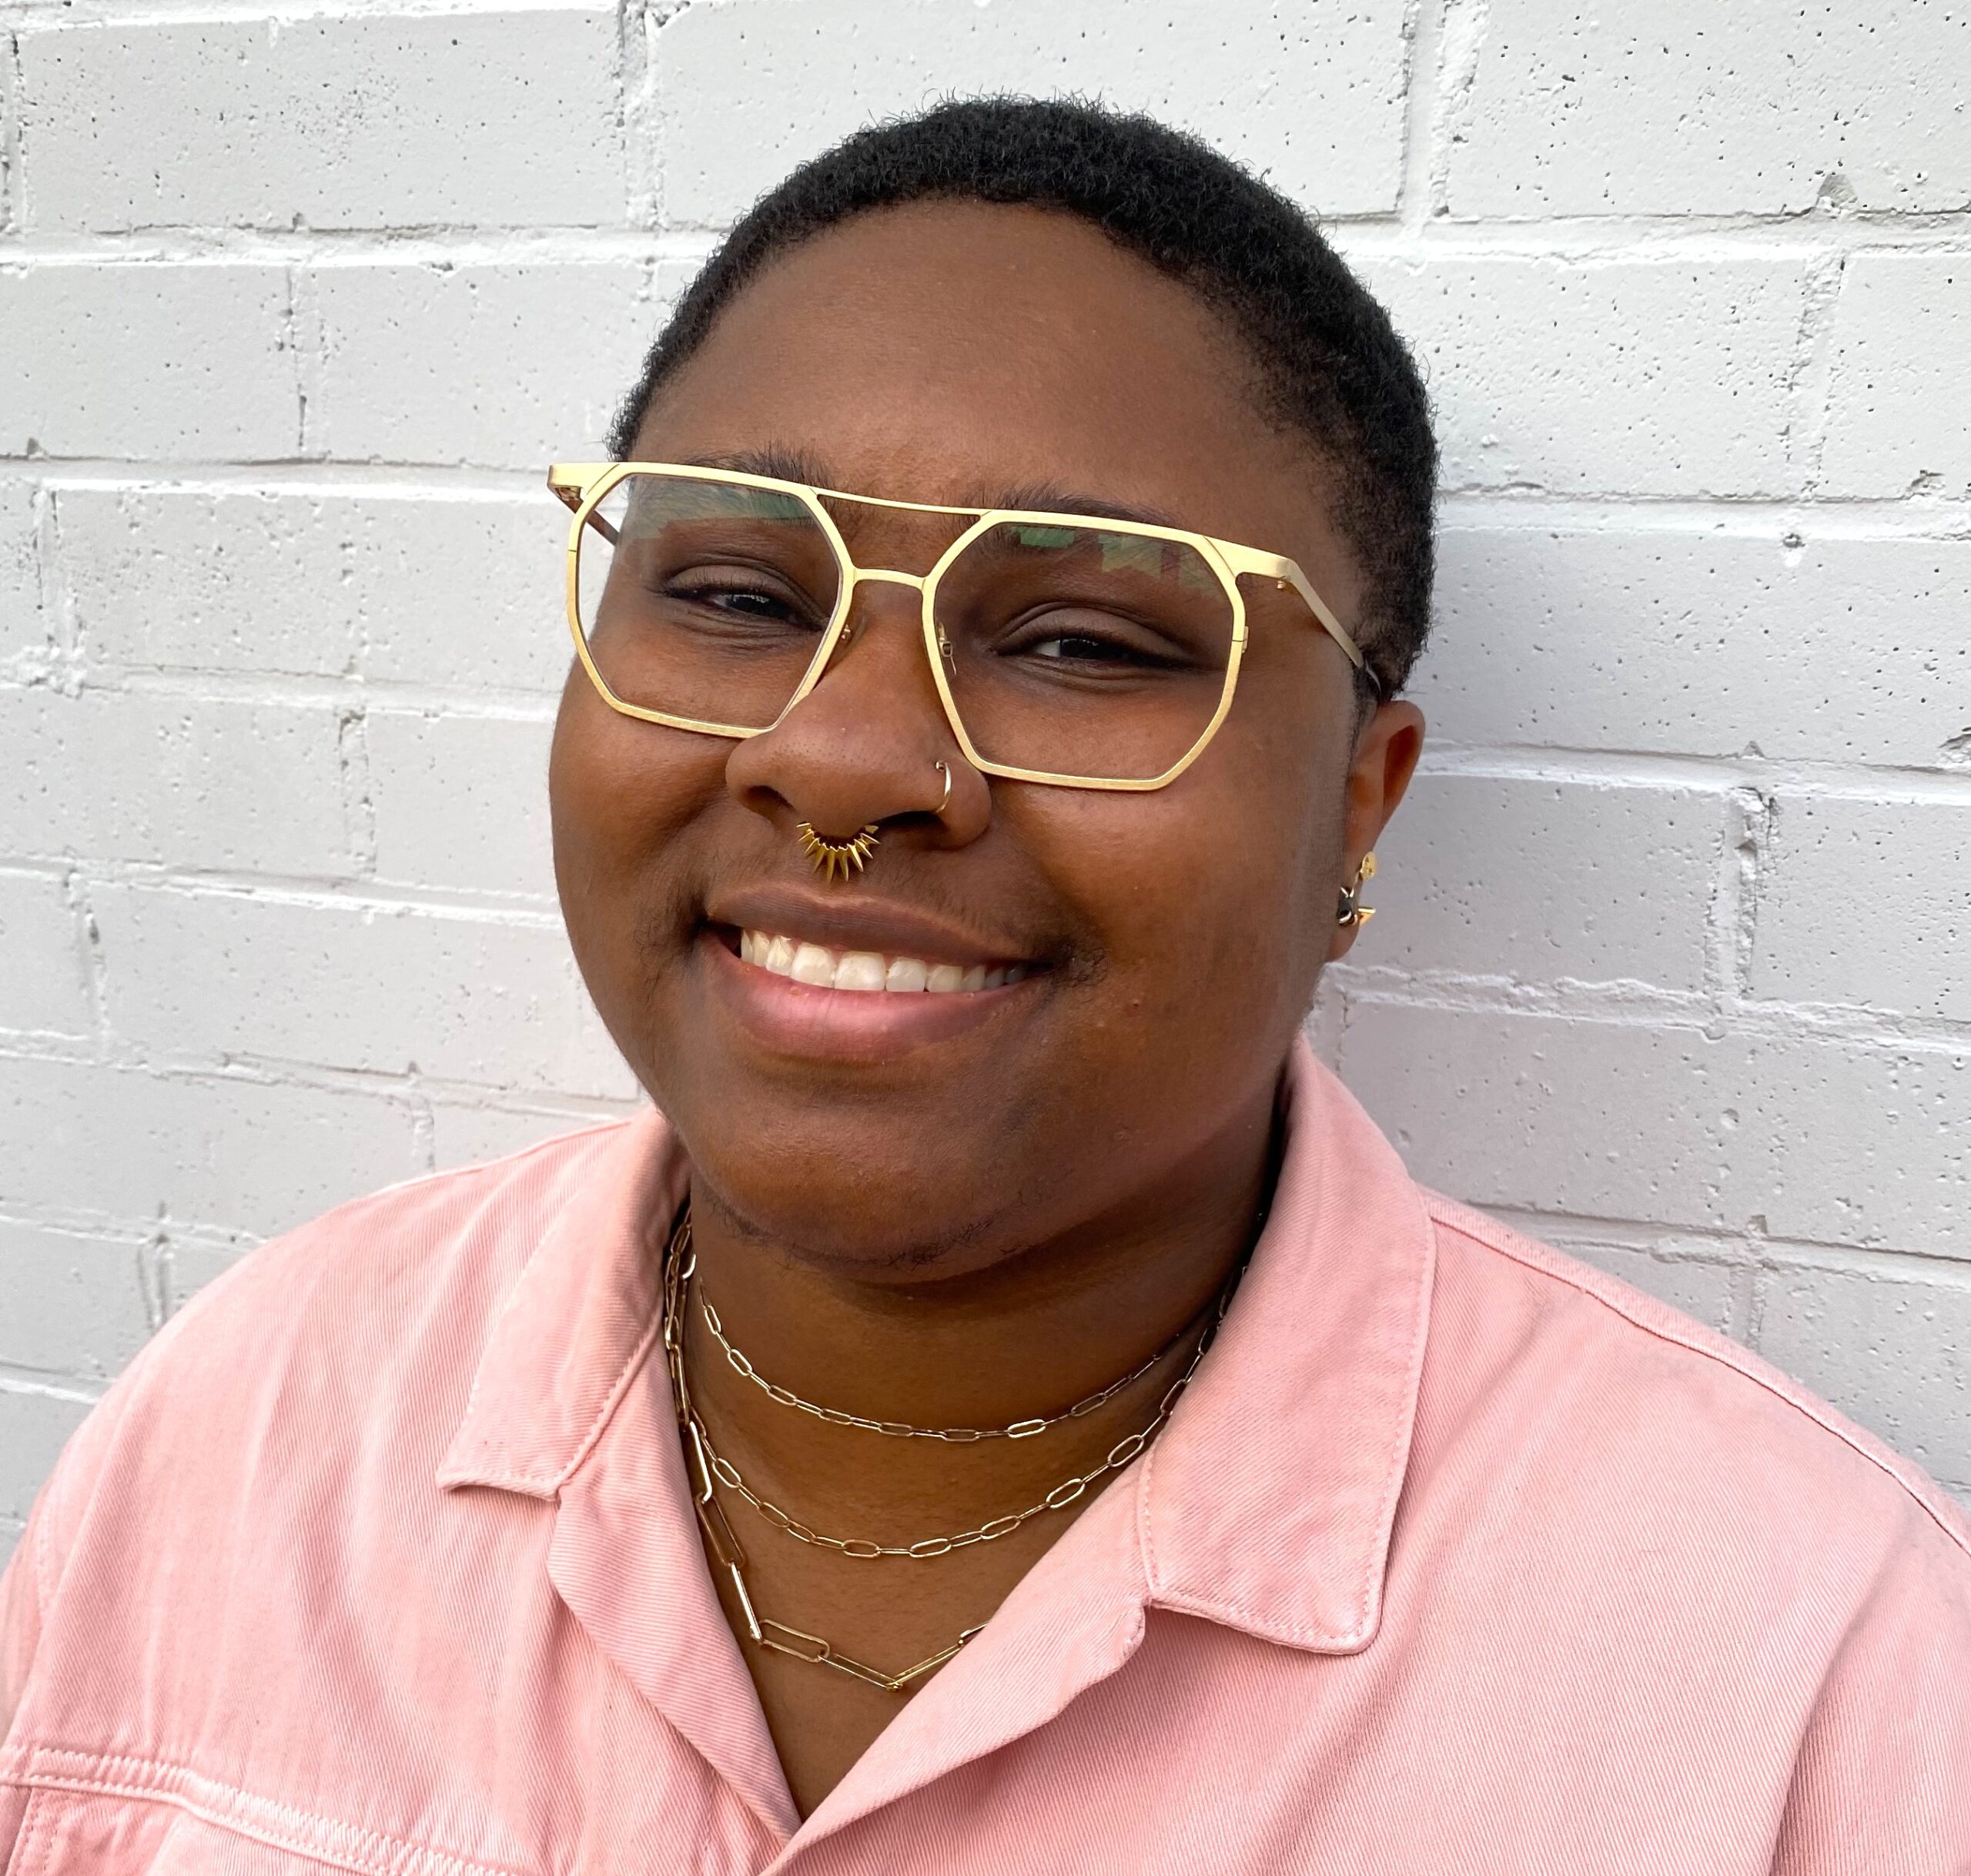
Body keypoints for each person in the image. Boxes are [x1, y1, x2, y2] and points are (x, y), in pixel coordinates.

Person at [2, 98, 1966, 1874]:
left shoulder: (1808, 1678)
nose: (845, 759)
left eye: (1083, 641)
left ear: (1354, 807)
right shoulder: (258, 1418)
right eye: (738, 594)